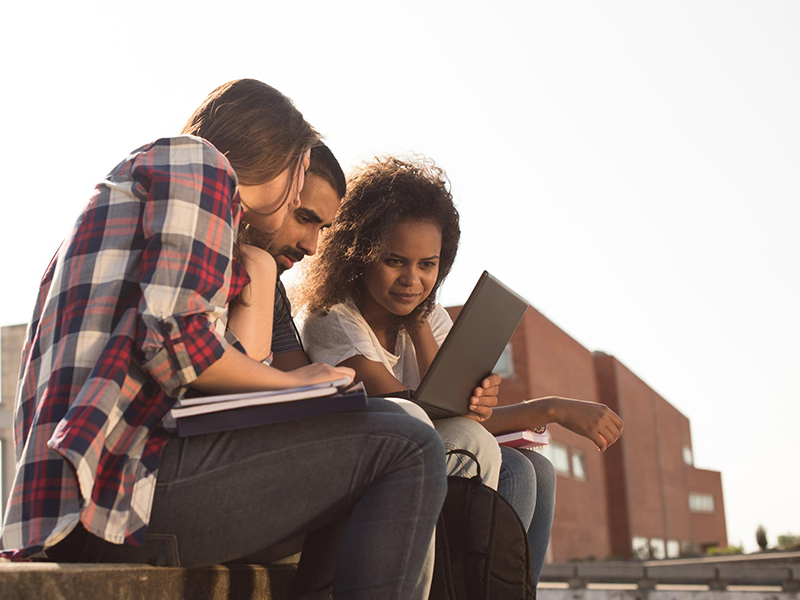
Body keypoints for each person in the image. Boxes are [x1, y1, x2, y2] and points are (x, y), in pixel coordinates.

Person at [0, 80, 447, 600]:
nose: (301, 225)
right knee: (408, 444)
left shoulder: (135, 197)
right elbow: (178, 346)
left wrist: (257, 274)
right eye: (300, 179)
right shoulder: (198, 164)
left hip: (83, 500)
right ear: (282, 160)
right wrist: (295, 382)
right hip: (113, 494)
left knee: (380, 447)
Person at [295, 155, 625, 585]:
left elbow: (458, 411)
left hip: (432, 456)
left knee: (535, 468)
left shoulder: (424, 317)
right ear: (358, 254)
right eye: (395, 261)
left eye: (427, 265)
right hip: (362, 475)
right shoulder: (331, 318)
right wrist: (550, 408)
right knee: (502, 460)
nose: (412, 279)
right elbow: (417, 411)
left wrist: (420, 331)